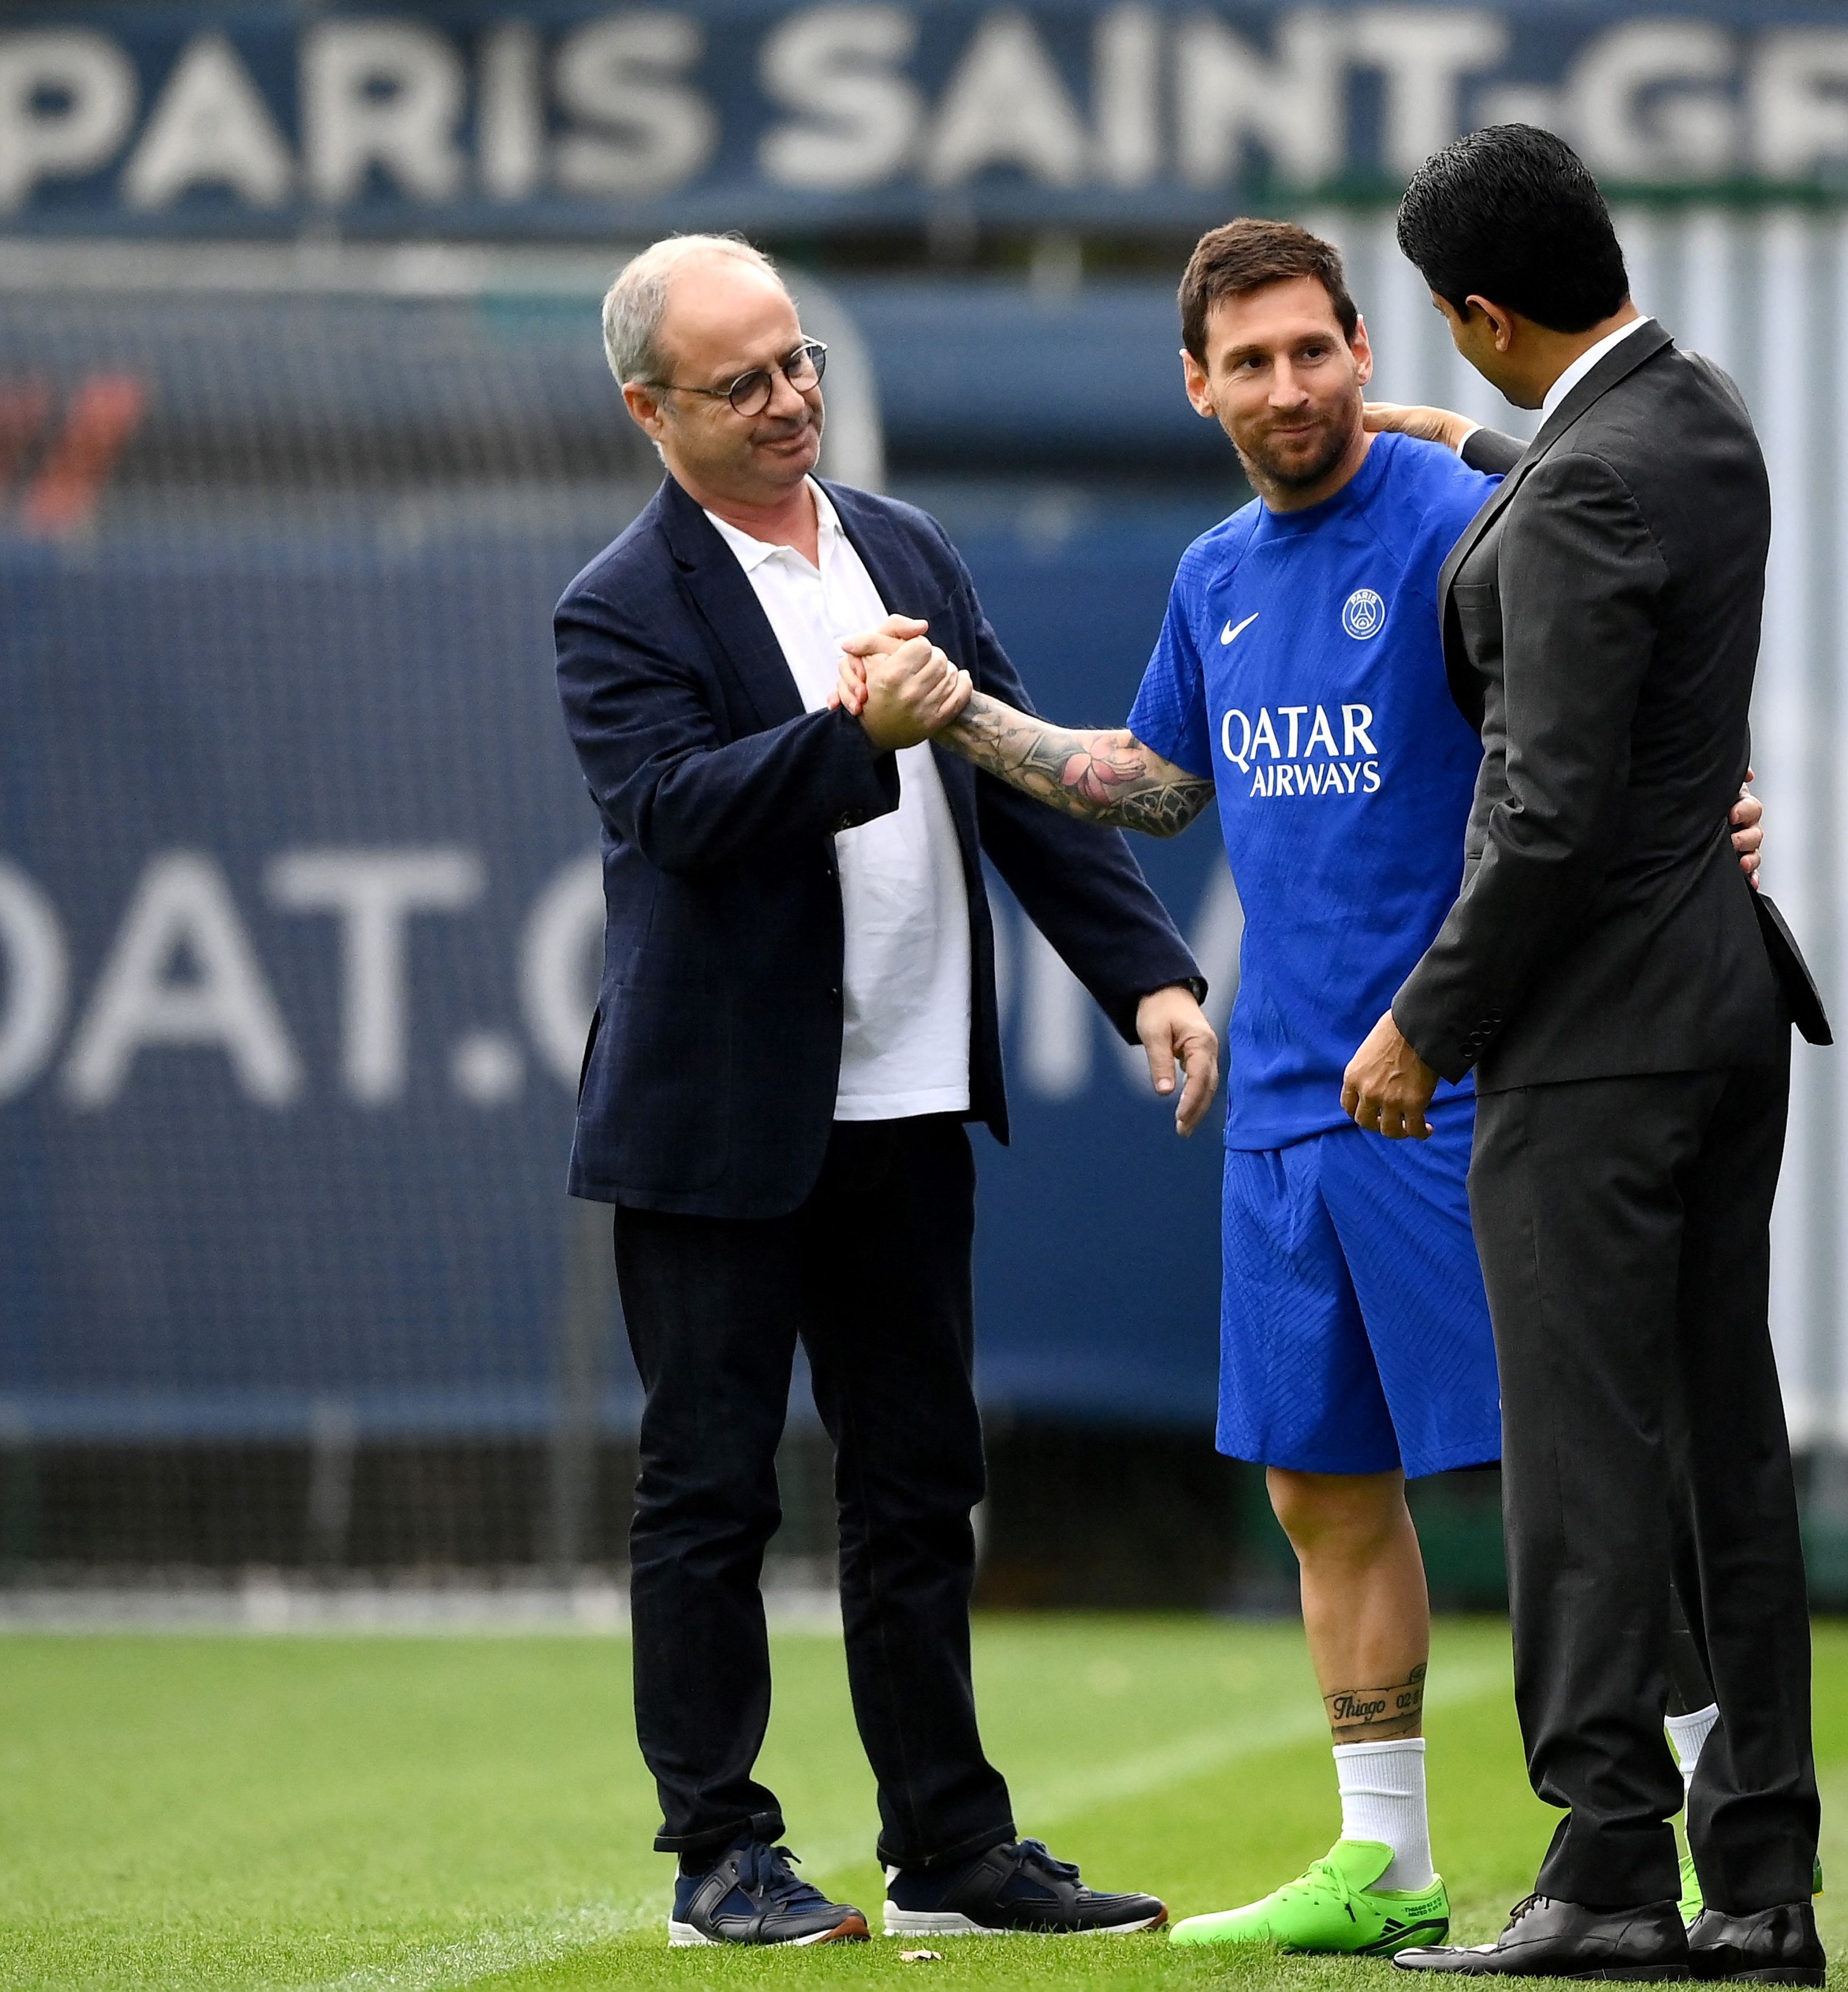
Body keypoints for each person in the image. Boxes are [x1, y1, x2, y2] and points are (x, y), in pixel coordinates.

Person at [833, 218, 1762, 1958]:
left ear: (1361, 347)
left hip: (1464, 1084)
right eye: (1246, 361)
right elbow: (1157, 783)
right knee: (1321, 1486)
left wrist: (1707, 809)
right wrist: (964, 715)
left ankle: (1713, 1836)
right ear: (1196, 386)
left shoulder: (1470, 520)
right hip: (1282, 1103)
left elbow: (1620, 688)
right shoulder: (1210, 577)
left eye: (1312, 349)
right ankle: (1383, 1857)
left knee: (1573, 1478)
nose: (1286, 386)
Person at [553, 232, 1215, 1949]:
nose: (789, 401)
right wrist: (858, 737)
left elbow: (1023, 788)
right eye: (742, 382)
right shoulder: (617, 604)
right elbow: (677, 811)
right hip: (716, 1124)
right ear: (650, 408)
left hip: (910, 1101)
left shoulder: (903, 544)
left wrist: (1146, 973)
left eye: (799, 364)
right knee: (709, 1489)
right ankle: (719, 1856)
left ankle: (949, 1844)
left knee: (918, 1482)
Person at [1339, 128, 1827, 1984]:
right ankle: (1761, 1882)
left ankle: (1609, 1862)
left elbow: (1538, 816)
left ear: (1481, 311)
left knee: (1579, 1460)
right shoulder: (1696, 419)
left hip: (1595, 1041)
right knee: (1723, 1451)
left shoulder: (1577, 495)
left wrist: (1420, 1021)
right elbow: (1582, 483)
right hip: (1723, 1008)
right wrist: (1462, 446)